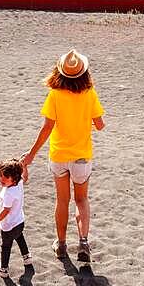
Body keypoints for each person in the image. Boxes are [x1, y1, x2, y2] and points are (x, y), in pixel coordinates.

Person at [21, 49, 105, 263]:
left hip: (58, 155)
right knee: (81, 199)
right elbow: (100, 125)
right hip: (81, 156)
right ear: (83, 73)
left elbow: (47, 127)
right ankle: (83, 241)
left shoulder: (55, 94)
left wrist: (31, 155)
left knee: (62, 200)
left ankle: (61, 244)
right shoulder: (90, 92)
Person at [0, 158, 33, 278]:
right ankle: (27, 258)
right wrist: (25, 167)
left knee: (6, 247)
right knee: (20, 237)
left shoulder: (8, 194)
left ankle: (4, 269)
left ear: (14, 178)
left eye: (6, 177)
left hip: (8, 225)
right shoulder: (19, 183)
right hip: (19, 221)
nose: (2, 179)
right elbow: (25, 178)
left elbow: (5, 211)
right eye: (0, 176)